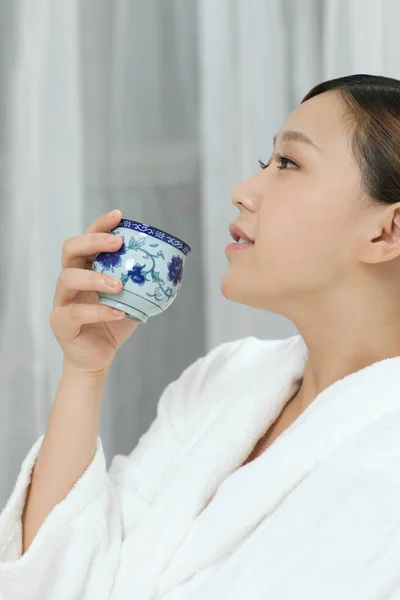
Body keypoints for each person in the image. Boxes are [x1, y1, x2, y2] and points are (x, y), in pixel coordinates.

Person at [1, 73, 400, 600]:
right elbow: (58, 583)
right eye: (266, 162)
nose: (243, 192)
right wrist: (85, 370)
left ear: (385, 231)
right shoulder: (223, 379)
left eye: (289, 164)